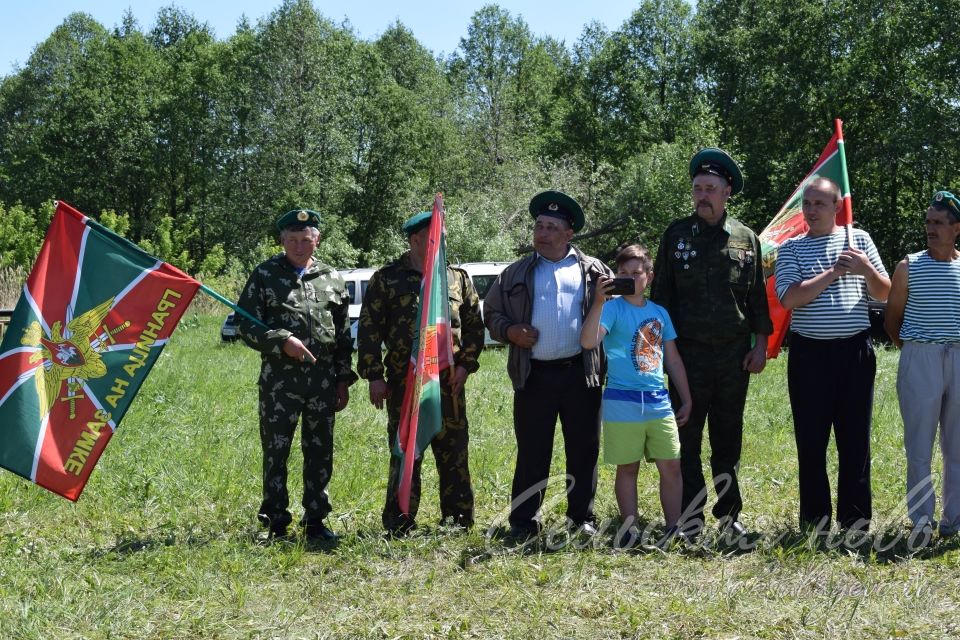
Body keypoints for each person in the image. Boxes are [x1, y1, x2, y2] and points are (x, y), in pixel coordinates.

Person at [650, 148, 772, 538]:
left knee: (727, 436)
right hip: (686, 355)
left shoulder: (746, 239)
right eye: (697, 188)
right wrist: (657, 355)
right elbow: (661, 298)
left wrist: (761, 345)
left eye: (710, 188)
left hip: (734, 356)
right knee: (685, 434)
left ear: (727, 192)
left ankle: (729, 514)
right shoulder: (675, 235)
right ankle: (690, 516)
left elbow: (756, 298)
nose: (702, 195)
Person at [484, 190, 613, 540]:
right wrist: (510, 330)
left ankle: (581, 519)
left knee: (584, 450)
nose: (541, 233)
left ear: (568, 233)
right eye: (539, 226)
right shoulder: (515, 273)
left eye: (551, 227)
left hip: (581, 374)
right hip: (534, 376)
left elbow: (617, 315)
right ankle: (524, 522)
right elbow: (491, 313)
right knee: (532, 452)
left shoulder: (595, 271)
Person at [357, 211, 484, 535]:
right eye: (432, 237)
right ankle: (400, 520)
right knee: (405, 453)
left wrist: (466, 366)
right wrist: (374, 376)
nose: (438, 243)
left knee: (454, 452)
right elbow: (369, 330)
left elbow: (473, 326)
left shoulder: (457, 278)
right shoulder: (386, 279)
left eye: (441, 236)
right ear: (415, 240)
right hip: (405, 384)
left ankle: (457, 520)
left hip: (449, 385)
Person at [775, 177, 890, 533]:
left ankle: (855, 521)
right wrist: (833, 272)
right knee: (811, 441)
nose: (811, 210)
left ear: (837, 207)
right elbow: (790, 298)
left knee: (854, 440)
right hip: (809, 355)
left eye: (819, 203)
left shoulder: (860, 241)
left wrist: (864, 269)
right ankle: (815, 522)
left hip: (854, 352)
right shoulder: (791, 248)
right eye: (807, 203)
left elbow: (884, 293)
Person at [237, 209, 356, 541]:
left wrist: (343, 379)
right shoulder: (264, 275)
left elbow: (344, 334)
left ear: (317, 240)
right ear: (282, 240)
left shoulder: (332, 277)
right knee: (276, 450)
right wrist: (279, 341)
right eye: (292, 240)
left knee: (320, 451)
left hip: (323, 381)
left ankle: (316, 521)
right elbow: (245, 324)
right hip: (280, 383)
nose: (299, 247)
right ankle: (275, 523)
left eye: (306, 240)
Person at [580, 244, 692, 548]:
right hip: (621, 402)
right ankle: (629, 530)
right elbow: (588, 341)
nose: (629, 278)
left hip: (658, 401)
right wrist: (599, 301)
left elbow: (673, 359)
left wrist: (686, 397)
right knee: (627, 467)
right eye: (623, 273)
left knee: (671, 465)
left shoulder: (660, 313)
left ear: (650, 277)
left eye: (636, 273)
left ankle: (673, 528)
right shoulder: (612, 309)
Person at [884, 190, 960, 543]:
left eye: (939, 223)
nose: (931, 229)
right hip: (920, 357)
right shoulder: (908, 266)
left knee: (956, 444)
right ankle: (921, 520)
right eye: (928, 222)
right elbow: (892, 319)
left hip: (958, 356)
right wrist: (914, 350)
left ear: (956, 228)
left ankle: (954, 518)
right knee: (919, 444)